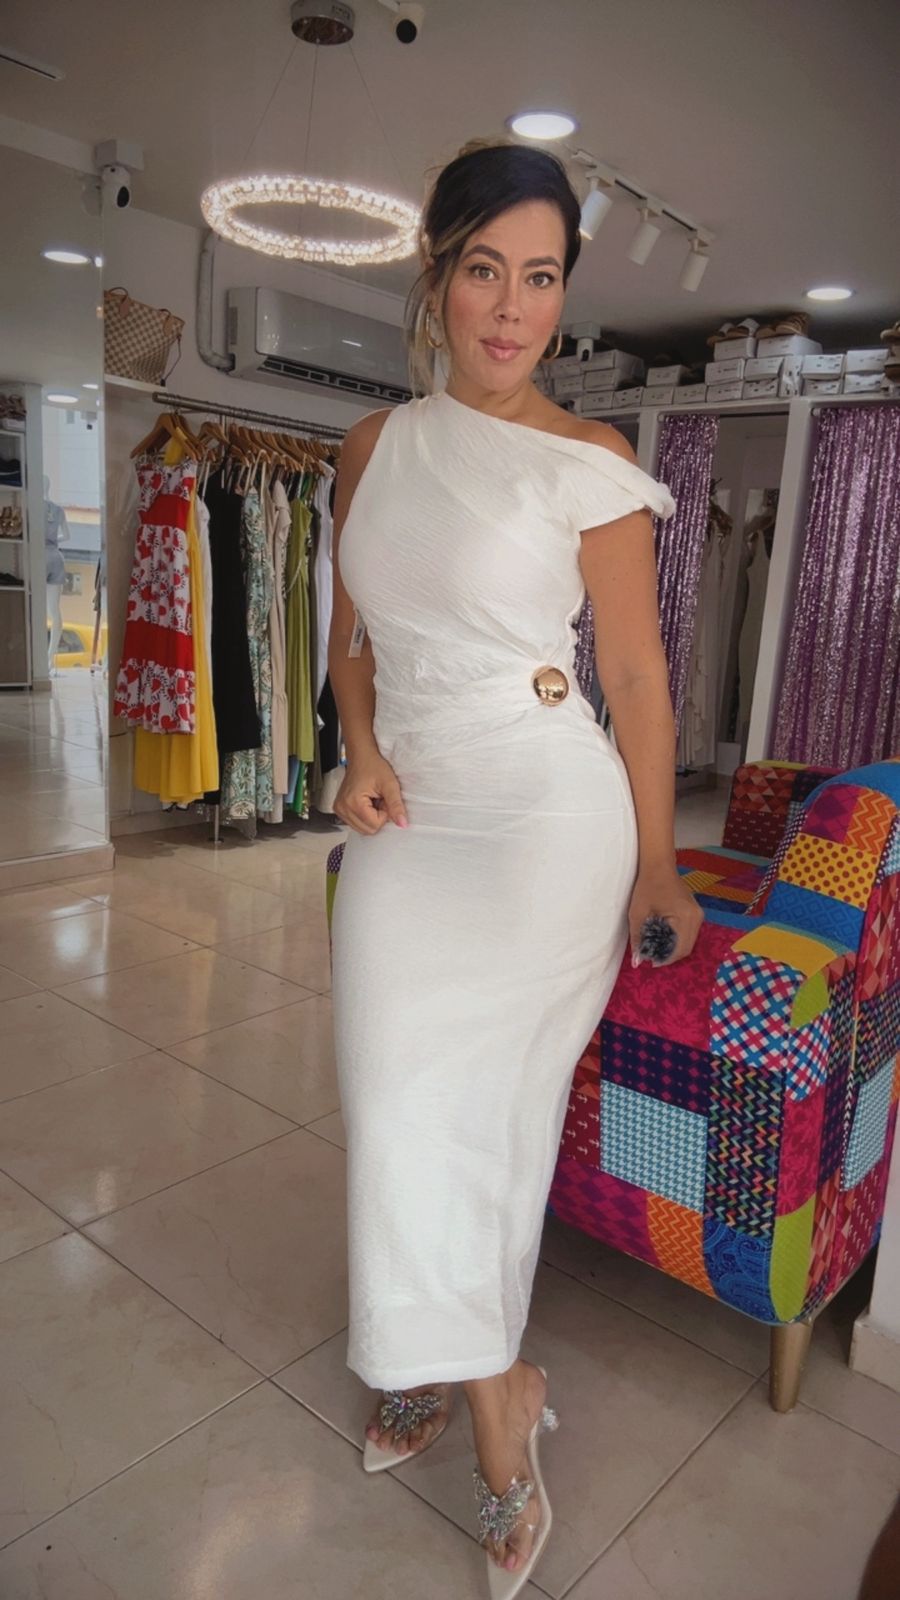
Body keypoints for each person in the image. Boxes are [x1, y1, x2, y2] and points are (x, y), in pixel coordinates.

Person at [327, 138, 703, 1595]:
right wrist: (359, 747)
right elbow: (353, 645)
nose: (510, 308)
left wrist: (660, 865)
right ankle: (468, 1358)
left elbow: (638, 677)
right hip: (412, 817)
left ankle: (485, 1404)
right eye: (484, 269)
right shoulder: (374, 447)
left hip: (547, 816)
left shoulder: (588, 465)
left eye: (540, 278)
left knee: (485, 1121)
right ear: (436, 273)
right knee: (393, 1098)